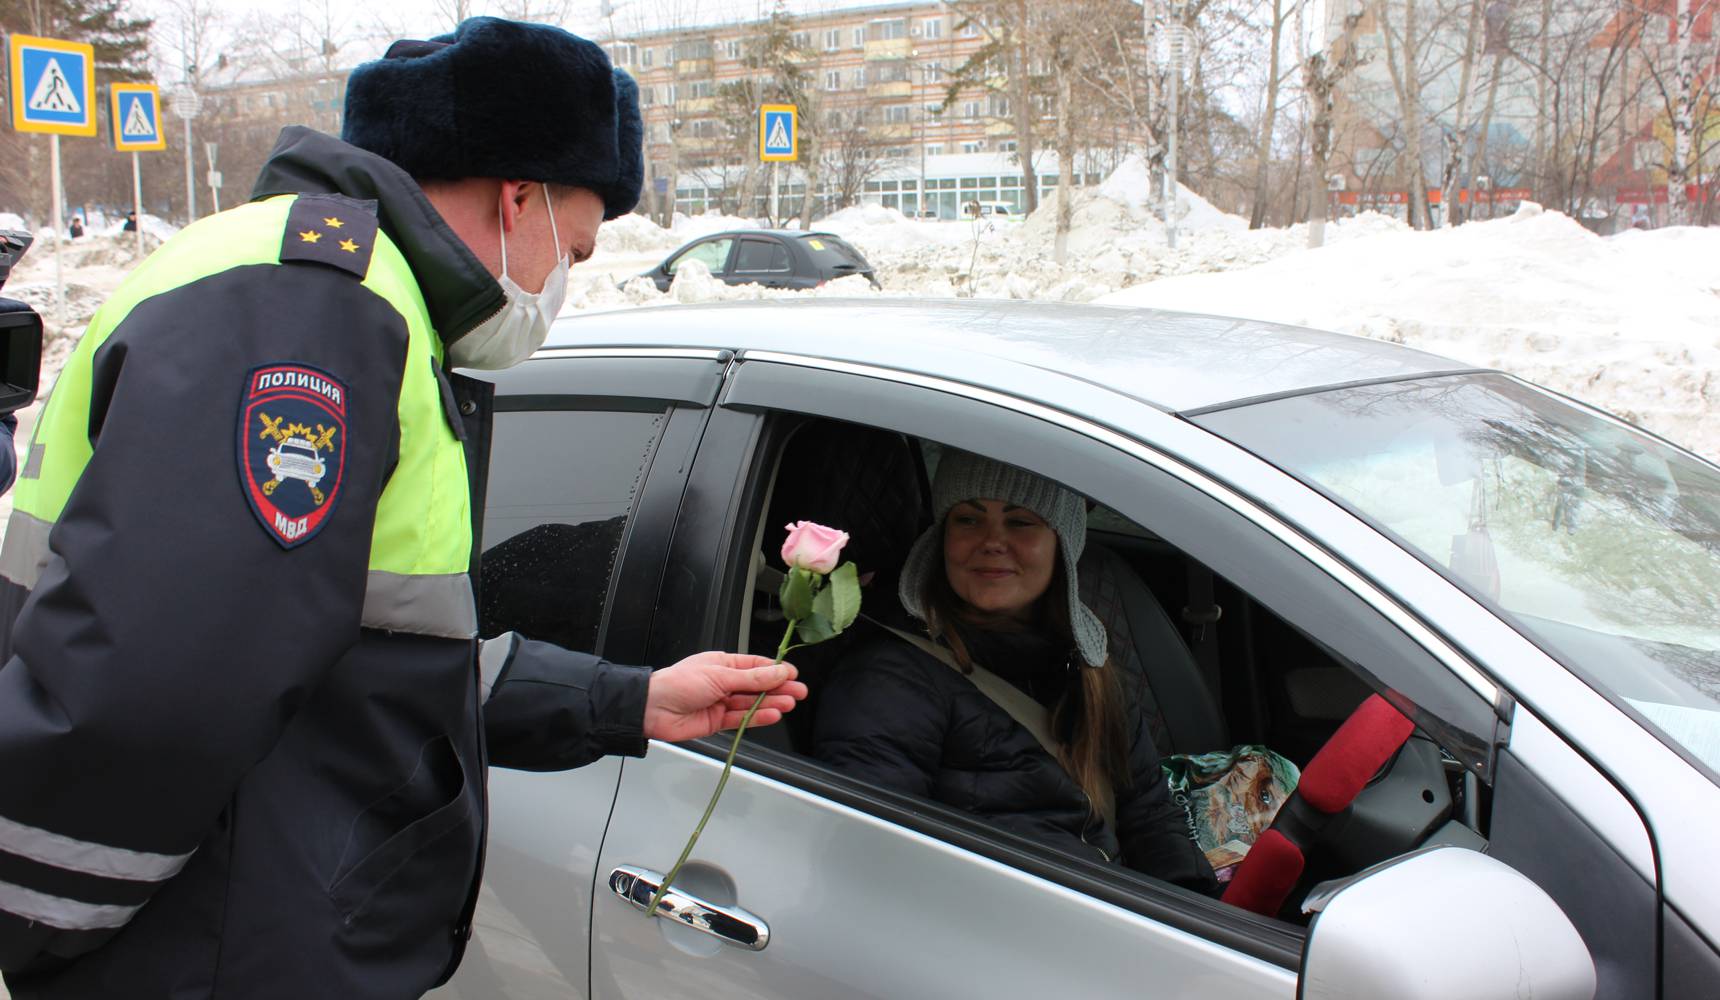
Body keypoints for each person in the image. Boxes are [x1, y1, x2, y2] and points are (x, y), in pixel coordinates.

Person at [0, 18, 805, 999]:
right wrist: (45, 926)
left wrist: (626, 699)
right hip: (219, 951)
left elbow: (357, 653)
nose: (562, 284)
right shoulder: (318, 306)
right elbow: (167, 680)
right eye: (578, 251)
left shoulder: (348, 300)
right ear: (521, 198)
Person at [814, 450, 1217, 895]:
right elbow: (871, 859)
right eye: (967, 519)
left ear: (1062, 541)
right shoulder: (891, 678)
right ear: (941, 537)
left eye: (1020, 521)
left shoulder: (1088, 661)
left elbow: (1148, 811)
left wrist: (1196, 913)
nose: (991, 541)